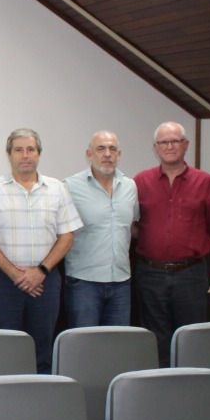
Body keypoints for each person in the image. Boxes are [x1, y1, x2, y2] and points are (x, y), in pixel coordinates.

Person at [0, 128, 82, 373]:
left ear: (39, 154)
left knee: (43, 349)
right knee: (3, 349)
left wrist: (41, 271)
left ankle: (39, 403)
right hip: (3, 282)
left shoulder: (57, 188)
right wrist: (15, 274)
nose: (25, 155)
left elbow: (67, 236)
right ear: (9, 154)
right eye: (18, 150)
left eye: (30, 149)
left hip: (46, 281)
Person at [133, 121, 210, 366]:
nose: (169, 146)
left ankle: (191, 388)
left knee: (192, 336)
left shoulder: (205, 182)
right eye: (164, 142)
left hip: (191, 274)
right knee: (155, 338)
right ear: (155, 147)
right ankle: (160, 389)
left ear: (185, 145)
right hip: (151, 273)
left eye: (175, 141)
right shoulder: (140, 182)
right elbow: (132, 224)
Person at [62, 131, 139, 328]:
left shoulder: (130, 186)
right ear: (89, 154)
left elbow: (132, 225)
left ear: (119, 154)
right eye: (101, 149)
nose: (107, 154)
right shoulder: (69, 187)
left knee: (118, 347)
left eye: (112, 149)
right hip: (84, 284)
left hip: (121, 282)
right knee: (83, 347)